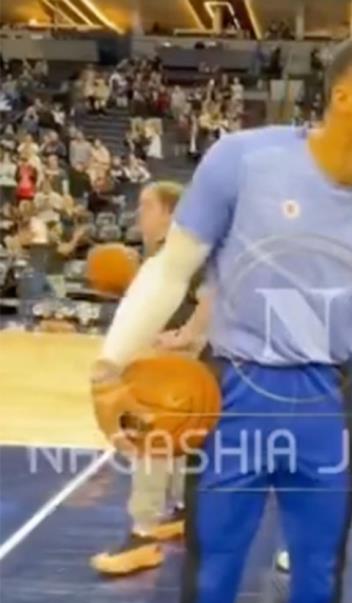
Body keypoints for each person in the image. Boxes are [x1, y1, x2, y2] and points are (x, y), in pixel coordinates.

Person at [91, 33, 352, 603]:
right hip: (234, 398)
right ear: (345, 96)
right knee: (209, 580)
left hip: (325, 405)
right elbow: (169, 271)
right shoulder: (244, 160)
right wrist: (109, 364)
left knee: (318, 582)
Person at [91, 181, 212, 576]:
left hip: (187, 364)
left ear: (170, 213)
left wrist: (189, 334)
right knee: (178, 441)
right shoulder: (165, 254)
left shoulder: (187, 252)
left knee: (149, 438)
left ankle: (143, 533)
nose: (138, 214)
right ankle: (181, 508)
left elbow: (216, 295)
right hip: (184, 364)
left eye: (146, 206)